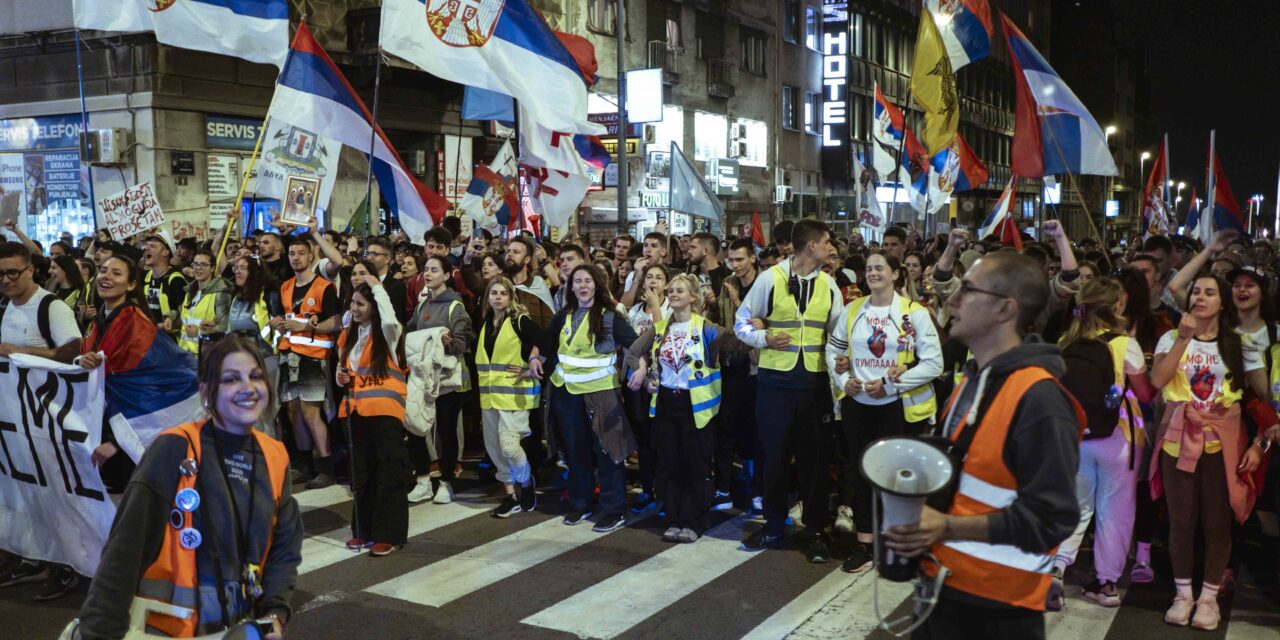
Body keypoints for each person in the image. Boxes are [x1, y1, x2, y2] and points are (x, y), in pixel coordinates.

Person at [884, 251, 1084, 640]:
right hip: (944, 593)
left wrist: (946, 526)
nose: (953, 299)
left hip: (996, 614)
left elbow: (1053, 519)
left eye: (968, 290)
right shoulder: (973, 379)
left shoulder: (1039, 399)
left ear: (1004, 309)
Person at [74, 336, 301, 639]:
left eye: (256, 376)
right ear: (206, 392)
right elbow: (124, 550)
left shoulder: (274, 457)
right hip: (164, 631)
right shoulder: (174, 448)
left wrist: (275, 611)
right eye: (232, 379)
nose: (248, 387)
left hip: (237, 629)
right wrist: (97, 633)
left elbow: (284, 551)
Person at [1149, 274, 1273, 629]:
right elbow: (1157, 381)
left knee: (1217, 523)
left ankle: (1209, 597)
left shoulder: (1239, 344)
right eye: (1195, 291)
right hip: (1178, 440)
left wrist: (1260, 443)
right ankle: (1182, 594)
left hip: (1224, 444)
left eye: (1209, 292)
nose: (1200, 297)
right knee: (1181, 521)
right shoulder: (1171, 337)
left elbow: (1261, 399)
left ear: (1223, 303)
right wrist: (1184, 338)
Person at [827, 251, 943, 572]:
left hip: (897, 408)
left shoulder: (914, 313)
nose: (873, 273)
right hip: (858, 407)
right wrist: (843, 380)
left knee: (897, 479)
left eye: (880, 268)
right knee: (863, 475)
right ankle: (865, 545)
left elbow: (935, 363)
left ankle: (900, 546)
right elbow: (833, 350)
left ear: (896, 274)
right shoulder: (853, 310)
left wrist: (890, 386)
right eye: (869, 269)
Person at [735, 219, 843, 563]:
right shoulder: (771, 278)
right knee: (774, 458)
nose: (830, 247)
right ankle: (773, 524)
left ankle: (814, 530)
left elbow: (839, 335)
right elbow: (741, 322)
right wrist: (763, 337)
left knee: (815, 462)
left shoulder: (830, 285)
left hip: (814, 385)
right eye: (826, 242)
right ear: (811, 246)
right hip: (774, 384)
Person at [1049, 278, 1155, 610]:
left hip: (1076, 435)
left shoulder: (1066, 341)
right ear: (1115, 307)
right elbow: (1146, 394)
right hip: (1119, 437)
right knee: (1116, 510)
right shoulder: (1125, 343)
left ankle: (1056, 568)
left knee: (1076, 506)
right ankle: (1106, 583)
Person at [625, 274, 744, 542]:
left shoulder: (707, 329)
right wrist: (644, 372)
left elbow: (738, 341)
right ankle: (674, 517)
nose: (674, 294)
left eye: (680, 290)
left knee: (696, 464)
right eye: (672, 290)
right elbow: (633, 353)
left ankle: (694, 520)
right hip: (667, 403)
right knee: (669, 463)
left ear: (693, 297)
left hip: (697, 408)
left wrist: (740, 308)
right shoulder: (659, 329)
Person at [0, 242, 84, 601]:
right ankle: (38, 556)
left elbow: (72, 351)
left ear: (31, 270)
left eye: (13, 272)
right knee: (27, 492)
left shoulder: (52, 306)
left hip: (48, 420)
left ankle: (70, 566)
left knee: (56, 493)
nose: (6, 279)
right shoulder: (4, 306)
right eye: (0, 274)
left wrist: (18, 352)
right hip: (16, 419)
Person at [530, 264, 639, 533]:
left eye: (587, 281)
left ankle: (614, 509)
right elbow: (545, 342)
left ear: (597, 285)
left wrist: (642, 368)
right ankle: (581, 502)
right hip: (566, 393)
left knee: (607, 451)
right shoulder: (563, 315)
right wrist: (535, 357)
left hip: (601, 395)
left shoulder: (610, 317)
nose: (582, 286)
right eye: (577, 281)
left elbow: (636, 344)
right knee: (576, 451)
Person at [335, 278, 412, 556]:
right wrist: (341, 375)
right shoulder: (347, 336)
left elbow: (390, 319)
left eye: (360, 303)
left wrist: (377, 286)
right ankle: (363, 531)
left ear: (373, 307)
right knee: (362, 475)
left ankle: (389, 535)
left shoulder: (388, 333)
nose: (354, 308)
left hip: (385, 414)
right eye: (352, 303)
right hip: (354, 414)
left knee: (388, 473)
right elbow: (340, 372)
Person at [269, 241, 340, 490]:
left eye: (301, 253)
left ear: (312, 256)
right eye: (291, 253)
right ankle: (304, 465)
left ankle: (326, 467)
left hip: (313, 356)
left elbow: (336, 322)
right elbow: (286, 317)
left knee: (311, 413)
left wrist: (308, 327)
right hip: (289, 354)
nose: (296, 257)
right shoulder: (286, 287)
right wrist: (278, 322)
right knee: (293, 412)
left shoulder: (324, 287)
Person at [405, 254, 473, 504]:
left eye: (434, 270)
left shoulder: (455, 306)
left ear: (447, 275)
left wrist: (450, 342)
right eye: (426, 270)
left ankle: (446, 482)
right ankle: (423, 479)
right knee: (415, 426)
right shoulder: (423, 305)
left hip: (448, 379)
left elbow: (463, 342)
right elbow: (411, 331)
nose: (429, 274)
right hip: (424, 376)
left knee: (446, 430)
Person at [475, 278, 540, 518]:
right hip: (490, 399)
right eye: (493, 293)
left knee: (511, 449)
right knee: (496, 451)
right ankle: (511, 495)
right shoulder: (485, 323)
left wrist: (532, 364)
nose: (498, 297)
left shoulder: (519, 320)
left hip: (514, 396)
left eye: (503, 293)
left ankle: (526, 483)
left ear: (511, 298)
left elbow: (545, 341)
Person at [717, 239, 763, 514]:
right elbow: (726, 325)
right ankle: (723, 488)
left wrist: (736, 300)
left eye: (740, 260)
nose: (735, 265)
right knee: (726, 429)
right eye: (731, 260)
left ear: (752, 259)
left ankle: (758, 489)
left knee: (756, 432)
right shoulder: (727, 283)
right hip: (732, 362)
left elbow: (758, 321)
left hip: (758, 365)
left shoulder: (764, 285)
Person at [177, 250, 232, 357]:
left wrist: (199, 333)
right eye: (195, 264)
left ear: (212, 268)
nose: (198, 268)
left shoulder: (220, 293)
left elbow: (225, 327)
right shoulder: (189, 292)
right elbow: (185, 319)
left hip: (207, 354)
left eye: (203, 265)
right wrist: (172, 316)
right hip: (185, 352)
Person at [141, 234, 189, 340]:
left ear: (165, 252)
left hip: (171, 343)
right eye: (146, 246)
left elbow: (187, 317)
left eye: (152, 246)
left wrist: (168, 324)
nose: (146, 248)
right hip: (151, 340)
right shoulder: (146, 277)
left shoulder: (176, 280)